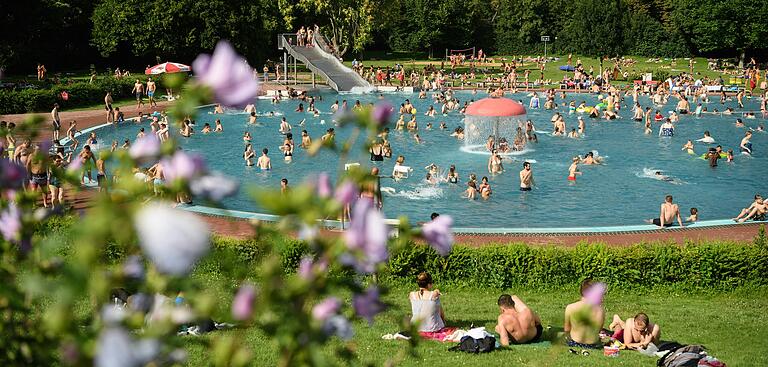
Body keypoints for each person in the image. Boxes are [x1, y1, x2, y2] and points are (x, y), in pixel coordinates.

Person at [564, 279, 605, 349]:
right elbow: (598, 330)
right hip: (593, 345)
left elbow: (567, 329)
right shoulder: (600, 310)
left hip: (575, 343)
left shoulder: (570, 307)